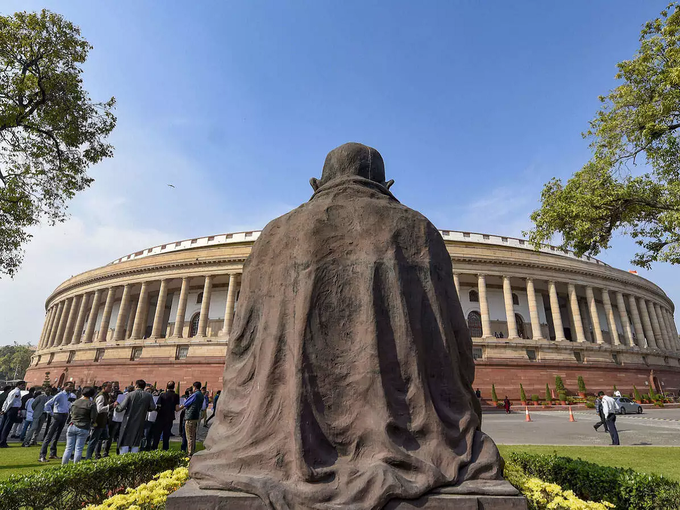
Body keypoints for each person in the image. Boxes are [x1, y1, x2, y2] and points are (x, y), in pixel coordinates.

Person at [115, 379, 156, 454]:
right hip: (140, 420)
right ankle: (134, 456)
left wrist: (116, 406)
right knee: (136, 439)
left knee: (125, 439)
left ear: (136, 385)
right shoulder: (148, 395)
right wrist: (146, 409)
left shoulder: (130, 394)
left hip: (128, 420)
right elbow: (153, 407)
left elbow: (121, 407)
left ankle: (123, 456)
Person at [39, 382, 75, 462]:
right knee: (49, 435)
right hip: (58, 415)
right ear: (64, 386)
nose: (71, 388)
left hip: (64, 415)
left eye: (72, 386)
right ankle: (42, 455)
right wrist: (52, 414)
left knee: (57, 435)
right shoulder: (60, 394)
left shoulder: (69, 395)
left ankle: (53, 453)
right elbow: (47, 404)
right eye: (69, 386)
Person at [62, 386, 97, 464]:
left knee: (68, 448)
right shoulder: (91, 404)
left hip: (72, 425)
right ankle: (76, 466)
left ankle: (63, 466)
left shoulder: (75, 402)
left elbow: (71, 413)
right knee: (78, 449)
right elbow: (93, 417)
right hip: (83, 427)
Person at [86, 382, 112, 460]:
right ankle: (89, 457)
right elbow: (99, 409)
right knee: (93, 440)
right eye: (109, 387)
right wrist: (110, 406)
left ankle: (96, 454)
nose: (111, 389)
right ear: (104, 387)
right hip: (98, 421)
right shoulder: (101, 396)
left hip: (102, 421)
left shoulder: (106, 395)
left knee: (101, 438)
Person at [151, 381, 180, 450]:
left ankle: (154, 448)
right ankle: (165, 449)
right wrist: (183, 406)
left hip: (161, 416)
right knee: (166, 435)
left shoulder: (162, 395)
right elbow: (176, 409)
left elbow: (158, 406)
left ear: (166, 387)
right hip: (170, 417)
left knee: (157, 434)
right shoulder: (176, 396)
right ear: (174, 387)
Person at [178, 381, 203, 457]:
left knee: (189, 436)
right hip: (196, 416)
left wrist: (178, 409)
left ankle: (190, 453)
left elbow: (186, 403)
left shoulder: (195, 395)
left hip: (190, 417)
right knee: (193, 435)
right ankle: (192, 450)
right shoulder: (201, 395)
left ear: (194, 387)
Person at [0, 381, 26, 447]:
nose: (24, 386)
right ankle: (3, 442)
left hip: (9, 409)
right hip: (12, 409)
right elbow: (11, 402)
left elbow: (6, 401)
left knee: (4, 426)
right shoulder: (16, 392)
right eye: (22, 385)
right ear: (18, 385)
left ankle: (2, 441)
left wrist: (4, 409)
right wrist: (5, 410)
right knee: (7, 427)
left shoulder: (11, 391)